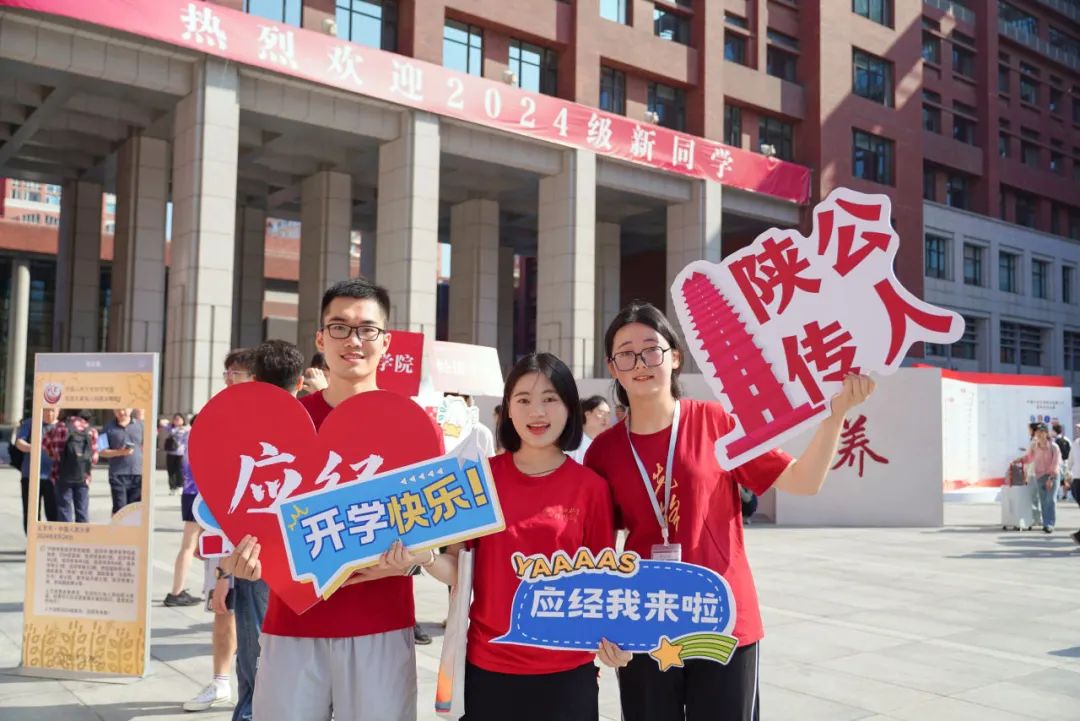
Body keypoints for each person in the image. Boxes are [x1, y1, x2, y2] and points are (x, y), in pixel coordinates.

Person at [583, 301, 874, 721]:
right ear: (613, 368)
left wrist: (835, 416)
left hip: (723, 620)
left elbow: (803, 481)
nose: (641, 362)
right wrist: (602, 627)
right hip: (645, 622)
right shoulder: (604, 452)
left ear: (675, 357)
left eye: (651, 349)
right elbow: (598, 551)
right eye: (626, 354)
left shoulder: (717, 423)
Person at [223, 278, 436, 721]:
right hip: (291, 626)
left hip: (381, 625)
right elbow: (254, 523)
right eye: (339, 327)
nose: (353, 340)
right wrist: (243, 563)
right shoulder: (283, 425)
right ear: (320, 339)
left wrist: (415, 558)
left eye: (367, 329)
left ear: (386, 341)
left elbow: (437, 537)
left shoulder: (414, 426)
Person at [377, 352, 620, 721]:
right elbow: (459, 569)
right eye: (523, 400)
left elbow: (604, 582)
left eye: (550, 399)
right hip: (489, 669)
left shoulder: (592, 488)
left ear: (570, 407)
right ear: (508, 409)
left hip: (568, 672)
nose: (536, 412)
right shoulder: (479, 480)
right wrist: (424, 557)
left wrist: (617, 640)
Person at [223, 338, 306, 721]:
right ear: (300, 381)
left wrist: (222, 572)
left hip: (252, 553)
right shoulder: (315, 426)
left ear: (254, 379)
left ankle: (251, 712)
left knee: (255, 648)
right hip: (304, 552)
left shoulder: (236, 425)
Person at [183, 348, 255, 712]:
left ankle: (255, 690)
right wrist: (205, 530)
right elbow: (208, 477)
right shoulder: (216, 415)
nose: (229, 378)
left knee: (253, 614)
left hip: (254, 531)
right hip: (221, 523)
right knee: (221, 606)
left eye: (236, 372)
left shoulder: (263, 418)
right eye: (227, 372)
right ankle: (220, 682)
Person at [164, 414, 203, 609]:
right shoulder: (206, 441)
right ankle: (176, 592)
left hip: (189, 494)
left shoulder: (189, 437)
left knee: (191, 545)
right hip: (201, 496)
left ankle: (178, 591)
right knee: (190, 546)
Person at [44, 410, 99, 523]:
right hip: (83, 476)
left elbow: (46, 446)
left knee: (64, 509)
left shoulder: (58, 428)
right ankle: (82, 533)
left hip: (61, 474)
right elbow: (94, 458)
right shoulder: (91, 430)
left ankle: (67, 533)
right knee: (82, 510)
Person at [14, 407, 60, 533]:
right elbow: (19, 442)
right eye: (46, 410)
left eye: (53, 410)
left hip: (54, 478)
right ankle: (32, 539)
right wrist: (35, 447)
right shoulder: (31, 423)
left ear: (58, 410)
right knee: (31, 513)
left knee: (54, 512)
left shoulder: (62, 426)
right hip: (30, 476)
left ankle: (53, 540)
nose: (49, 413)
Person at [1017, 423, 1062, 534]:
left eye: (1042, 432)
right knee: (1043, 500)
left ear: (1046, 433)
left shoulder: (1054, 447)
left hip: (1053, 476)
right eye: (1038, 432)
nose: (1039, 434)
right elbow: (1029, 458)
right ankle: (1046, 523)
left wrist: (1051, 478)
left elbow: (1056, 463)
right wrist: (1020, 460)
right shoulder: (1034, 446)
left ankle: (1049, 524)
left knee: (1050, 499)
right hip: (1040, 476)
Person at [100, 408, 144, 516]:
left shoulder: (141, 426)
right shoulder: (107, 428)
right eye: (118, 410)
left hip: (137, 473)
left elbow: (148, 448)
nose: (121, 412)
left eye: (124, 409)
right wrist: (120, 452)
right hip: (117, 474)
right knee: (119, 508)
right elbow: (101, 451)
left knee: (134, 509)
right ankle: (117, 527)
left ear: (131, 409)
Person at [568, 395, 611, 463]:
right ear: (587, 414)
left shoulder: (608, 444)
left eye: (608, 414)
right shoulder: (572, 442)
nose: (606, 418)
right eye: (601, 412)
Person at [166, 413, 190, 494]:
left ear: (183, 420)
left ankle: (180, 486)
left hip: (181, 453)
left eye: (179, 419)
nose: (177, 421)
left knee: (179, 470)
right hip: (171, 452)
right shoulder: (171, 428)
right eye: (175, 419)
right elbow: (163, 423)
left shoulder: (186, 429)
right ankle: (172, 488)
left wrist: (183, 428)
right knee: (171, 471)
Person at [1050, 422, 1071, 501]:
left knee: (1058, 477)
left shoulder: (1054, 441)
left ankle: (1057, 494)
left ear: (1054, 431)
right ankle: (1065, 495)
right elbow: (1070, 451)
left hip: (1058, 462)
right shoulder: (1067, 439)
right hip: (1066, 461)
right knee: (1065, 477)